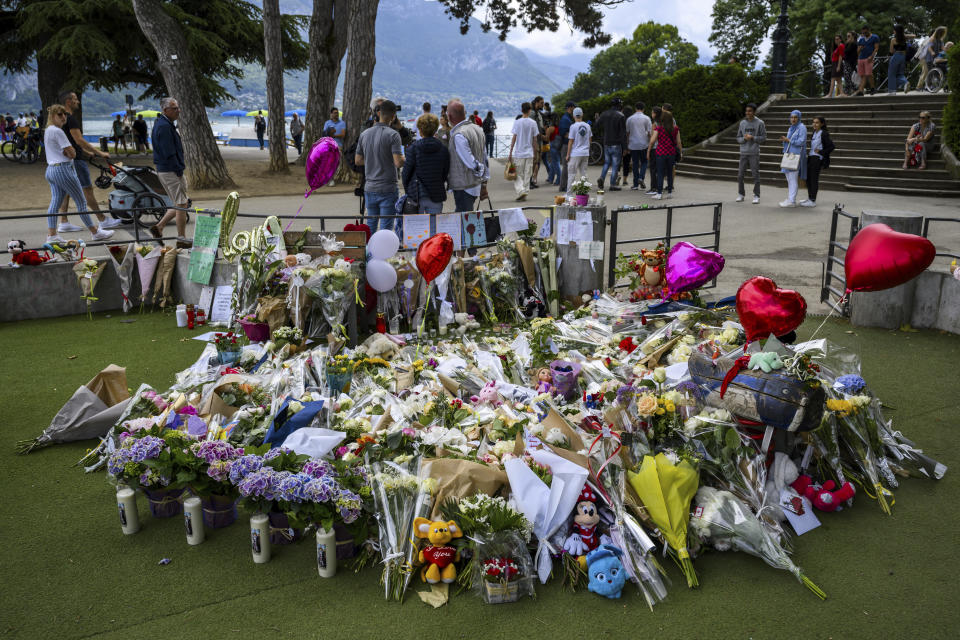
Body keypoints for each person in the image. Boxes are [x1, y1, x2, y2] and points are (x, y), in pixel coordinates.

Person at [41, 104, 114, 245]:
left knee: (55, 202)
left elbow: (64, 150)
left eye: (64, 114)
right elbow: (72, 153)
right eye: (60, 115)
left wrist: (68, 152)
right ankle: (95, 232)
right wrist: (70, 152)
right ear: (52, 116)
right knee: (81, 202)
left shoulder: (48, 130)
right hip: (63, 169)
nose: (63, 117)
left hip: (51, 169)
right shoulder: (58, 131)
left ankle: (52, 235)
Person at [55, 91, 121, 233]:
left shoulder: (60, 120)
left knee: (65, 191)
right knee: (87, 190)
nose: (78, 101)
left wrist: (87, 153)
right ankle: (102, 220)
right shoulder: (70, 119)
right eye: (75, 99)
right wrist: (100, 152)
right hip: (76, 161)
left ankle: (64, 222)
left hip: (66, 159)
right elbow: (79, 140)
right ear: (68, 102)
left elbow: (69, 142)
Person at [355, 99, 403, 232]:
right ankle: (383, 253)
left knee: (370, 224)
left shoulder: (364, 134)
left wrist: (373, 159)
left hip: (370, 186)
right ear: (393, 116)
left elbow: (358, 160)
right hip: (388, 187)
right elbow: (398, 162)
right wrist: (405, 158)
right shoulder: (393, 135)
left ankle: (369, 251)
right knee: (386, 226)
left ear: (379, 113)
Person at [149, 97, 191, 248]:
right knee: (181, 204)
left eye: (178, 107)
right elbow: (169, 152)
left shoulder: (163, 124)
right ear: (166, 110)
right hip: (170, 169)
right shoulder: (165, 127)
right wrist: (178, 169)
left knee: (182, 202)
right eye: (174, 108)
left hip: (166, 169)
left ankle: (159, 227)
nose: (178, 110)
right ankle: (181, 239)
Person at [402, 113, 449, 228]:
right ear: (435, 130)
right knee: (434, 229)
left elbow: (406, 173)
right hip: (436, 192)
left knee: (416, 231)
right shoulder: (443, 150)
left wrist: (407, 189)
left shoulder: (413, 148)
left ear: (420, 130)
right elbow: (445, 173)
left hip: (416, 193)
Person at [445, 99, 489, 212]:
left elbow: (471, 162)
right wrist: (483, 182)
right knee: (467, 218)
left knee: (464, 220)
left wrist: (480, 171)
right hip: (475, 185)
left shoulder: (458, 135)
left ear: (449, 116)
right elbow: (484, 158)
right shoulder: (477, 129)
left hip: (464, 186)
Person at [507, 102, 539, 201]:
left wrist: (510, 151)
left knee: (517, 175)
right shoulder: (533, 123)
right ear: (530, 110)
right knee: (527, 174)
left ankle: (521, 191)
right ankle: (524, 191)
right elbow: (535, 140)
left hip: (519, 153)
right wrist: (535, 152)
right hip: (529, 152)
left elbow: (514, 137)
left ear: (522, 110)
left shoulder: (517, 122)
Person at [800, 116, 834, 207]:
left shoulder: (824, 133)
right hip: (811, 157)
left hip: (817, 159)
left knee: (813, 179)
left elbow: (831, 147)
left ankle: (813, 200)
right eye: (813, 122)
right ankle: (810, 198)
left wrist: (821, 152)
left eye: (817, 122)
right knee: (808, 179)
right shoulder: (814, 132)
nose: (814, 124)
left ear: (822, 124)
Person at [736, 103, 766, 204]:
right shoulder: (742, 123)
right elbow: (738, 138)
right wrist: (744, 139)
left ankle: (756, 195)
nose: (747, 113)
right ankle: (741, 194)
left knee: (755, 175)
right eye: (746, 111)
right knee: (740, 175)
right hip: (743, 152)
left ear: (754, 112)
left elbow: (763, 138)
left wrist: (753, 137)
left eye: (749, 111)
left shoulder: (760, 123)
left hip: (754, 152)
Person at [647, 110, 681, 200]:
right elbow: (678, 142)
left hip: (661, 153)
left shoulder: (659, 128)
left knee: (660, 173)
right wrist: (680, 152)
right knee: (670, 173)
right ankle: (669, 193)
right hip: (671, 153)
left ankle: (659, 193)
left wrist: (649, 150)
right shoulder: (675, 129)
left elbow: (652, 141)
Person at [778, 109, 807, 207]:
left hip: (796, 155)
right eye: (792, 117)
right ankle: (790, 198)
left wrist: (788, 140)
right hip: (789, 154)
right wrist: (785, 140)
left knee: (793, 178)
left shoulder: (801, 127)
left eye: (795, 117)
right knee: (789, 178)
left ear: (799, 118)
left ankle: (792, 201)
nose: (793, 119)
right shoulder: (791, 128)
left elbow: (802, 141)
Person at [597, 98, 626, 191]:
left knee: (606, 162)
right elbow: (622, 133)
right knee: (615, 164)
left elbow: (597, 125)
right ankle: (612, 184)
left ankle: (602, 177)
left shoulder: (604, 114)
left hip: (606, 142)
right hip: (616, 143)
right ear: (619, 105)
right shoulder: (621, 116)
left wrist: (597, 118)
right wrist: (625, 147)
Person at [626, 102, 651, 191]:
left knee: (635, 164)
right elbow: (649, 133)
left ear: (635, 108)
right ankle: (641, 178)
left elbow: (627, 133)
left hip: (633, 144)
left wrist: (627, 145)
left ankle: (635, 184)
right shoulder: (647, 118)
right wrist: (651, 144)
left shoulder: (630, 119)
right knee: (644, 162)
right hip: (644, 144)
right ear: (643, 109)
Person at [565, 107, 591, 184]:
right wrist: (587, 149)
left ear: (573, 116)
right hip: (585, 153)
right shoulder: (587, 126)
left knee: (572, 174)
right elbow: (590, 139)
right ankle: (584, 194)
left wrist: (567, 154)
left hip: (575, 153)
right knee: (584, 174)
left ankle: (569, 194)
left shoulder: (573, 126)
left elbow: (570, 141)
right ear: (582, 115)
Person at [918, 27, 947, 91]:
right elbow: (929, 47)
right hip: (929, 57)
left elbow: (943, 48)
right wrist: (932, 52)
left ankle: (933, 85)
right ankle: (928, 86)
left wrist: (947, 52)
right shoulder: (932, 39)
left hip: (936, 57)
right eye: (941, 33)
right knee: (929, 71)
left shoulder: (940, 40)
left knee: (935, 71)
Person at [854, 25, 879, 95]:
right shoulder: (861, 39)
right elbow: (857, 51)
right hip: (861, 58)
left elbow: (876, 48)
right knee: (862, 75)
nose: (864, 34)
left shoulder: (875, 37)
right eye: (863, 33)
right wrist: (860, 49)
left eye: (865, 32)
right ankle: (861, 91)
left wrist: (872, 56)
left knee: (869, 73)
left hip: (869, 58)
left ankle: (872, 88)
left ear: (869, 30)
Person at [557, 101, 574, 192]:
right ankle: (563, 186)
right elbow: (563, 133)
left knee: (566, 166)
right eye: (573, 107)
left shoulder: (567, 118)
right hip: (566, 145)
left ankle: (565, 185)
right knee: (566, 166)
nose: (574, 109)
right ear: (570, 107)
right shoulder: (565, 119)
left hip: (567, 144)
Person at [529, 96, 546, 189]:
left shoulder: (538, 114)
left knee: (537, 162)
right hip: (534, 142)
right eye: (541, 103)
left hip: (540, 142)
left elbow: (540, 127)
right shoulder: (532, 114)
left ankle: (533, 180)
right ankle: (529, 181)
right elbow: (531, 129)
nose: (543, 104)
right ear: (537, 102)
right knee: (533, 162)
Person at [645, 106, 662, 195]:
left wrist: (648, 150)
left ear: (655, 114)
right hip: (662, 148)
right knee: (659, 169)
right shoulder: (663, 123)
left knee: (653, 169)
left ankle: (653, 188)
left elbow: (652, 138)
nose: (651, 114)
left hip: (655, 148)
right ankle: (659, 187)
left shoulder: (654, 124)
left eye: (652, 112)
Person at [888, 24, 909, 94]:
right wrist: (904, 35)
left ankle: (892, 91)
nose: (893, 31)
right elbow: (914, 36)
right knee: (900, 74)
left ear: (896, 31)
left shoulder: (893, 40)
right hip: (903, 56)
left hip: (896, 56)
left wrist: (889, 58)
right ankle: (905, 82)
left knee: (892, 74)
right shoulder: (905, 39)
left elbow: (891, 52)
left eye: (894, 30)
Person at [842, 31, 859, 96]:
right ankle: (848, 91)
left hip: (851, 63)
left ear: (853, 36)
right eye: (847, 36)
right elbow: (844, 52)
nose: (847, 37)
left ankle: (854, 89)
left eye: (849, 36)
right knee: (847, 77)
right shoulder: (847, 44)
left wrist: (848, 43)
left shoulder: (855, 44)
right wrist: (847, 44)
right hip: (846, 62)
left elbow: (848, 51)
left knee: (849, 76)